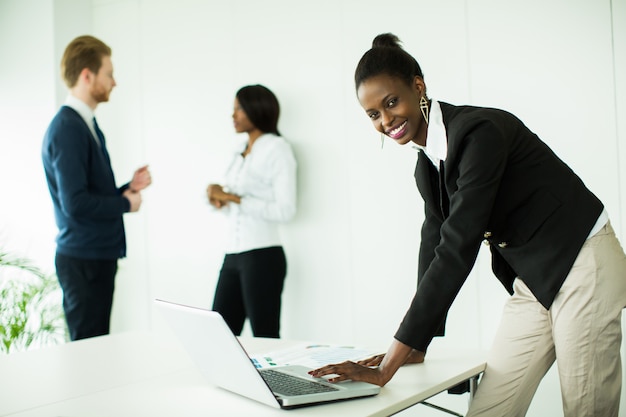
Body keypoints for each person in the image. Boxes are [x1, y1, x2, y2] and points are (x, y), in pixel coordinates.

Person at [309, 33, 626, 417]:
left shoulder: (479, 133)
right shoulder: (426, 166)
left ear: (418, 87)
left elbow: (458, 246)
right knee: (490, 408)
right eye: (373, 114)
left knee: (585, 408)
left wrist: (387, 366)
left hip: (582, 263)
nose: (386, 120)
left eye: (391, 102)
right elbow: (434, 246)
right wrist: (416, 346)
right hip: (537, 278)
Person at [42, 35, 152, 341]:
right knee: (88, 351)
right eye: (109, 73)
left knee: (96, 346)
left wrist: (126, 189)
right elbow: (75, 203)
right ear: (87, 75)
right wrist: (126, 204)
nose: (114, 82)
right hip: (84, 259)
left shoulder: (85, 124)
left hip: (95, 255)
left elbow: (87, 194)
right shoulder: (68, 128)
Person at [207, 84, 297, 338]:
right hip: (233, 255)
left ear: (257, 109)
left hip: (263, 255)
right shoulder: (238, 152)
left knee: (265, 337)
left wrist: (235, 199)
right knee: (220, 335)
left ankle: (273, 380)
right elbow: (232, 207)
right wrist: (217, 197)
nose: (233, 115)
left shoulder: (277, 148)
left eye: (239, 108)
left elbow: (286, 210)